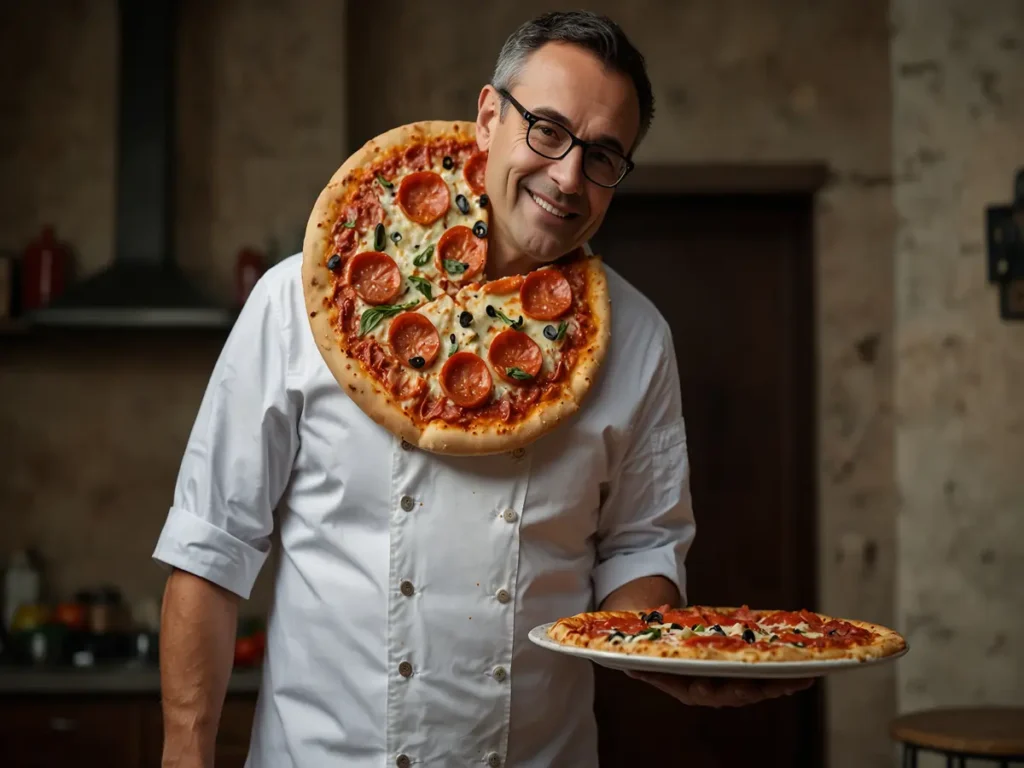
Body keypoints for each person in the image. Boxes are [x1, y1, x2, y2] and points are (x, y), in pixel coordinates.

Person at [153, 10, 810, 768]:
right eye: (548, 130)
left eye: (603, 155)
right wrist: (184, 756)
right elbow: (212, 546)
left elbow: (641, 548)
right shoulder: (303, 300)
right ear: (490, 117)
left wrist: (674, 655)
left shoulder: (635, 339)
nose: (568, 176)